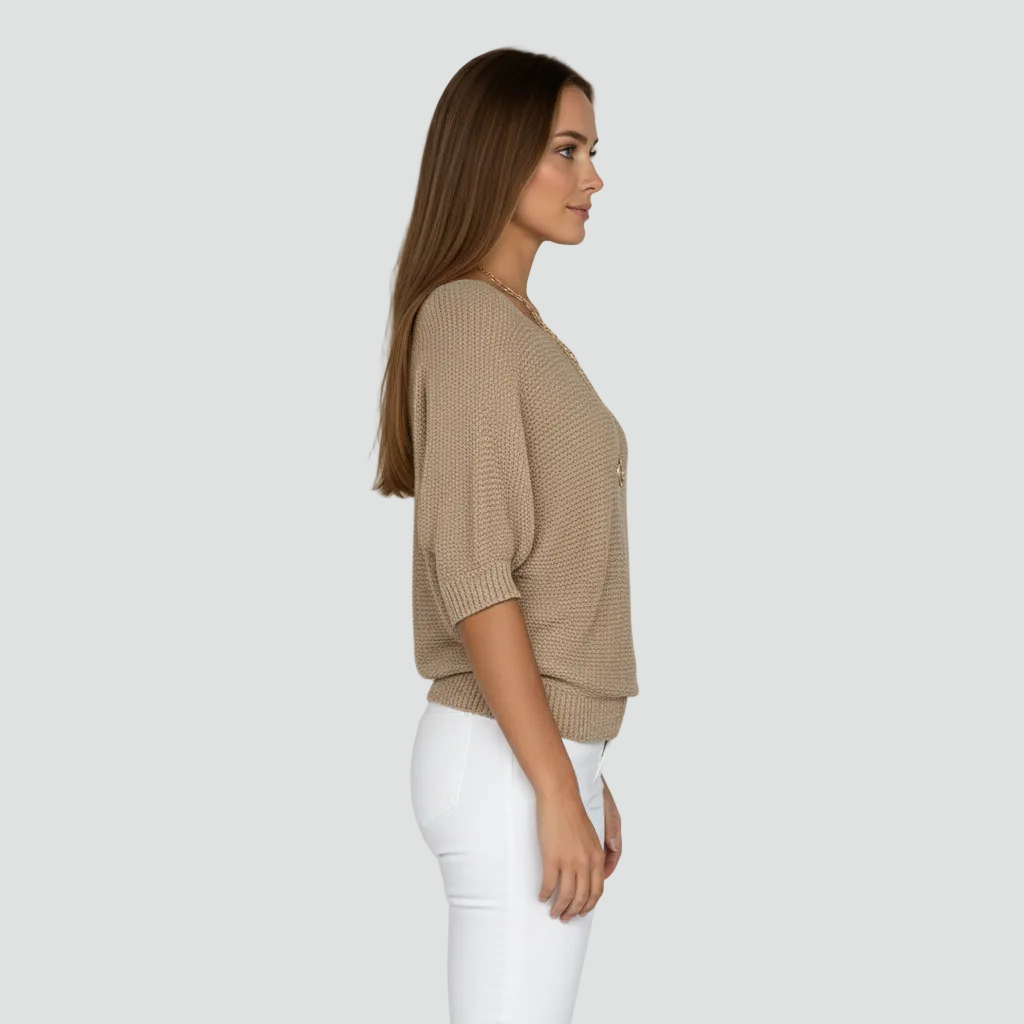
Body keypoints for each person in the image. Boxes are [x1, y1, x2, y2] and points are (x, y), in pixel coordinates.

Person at [372, 47, 639, 1023]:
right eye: (567, 150)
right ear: (494, 154)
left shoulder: (508, 324)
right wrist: (553, 785)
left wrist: (584, 773)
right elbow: (477, 578)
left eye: (592, 152)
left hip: (522, 752)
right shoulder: (470, 320)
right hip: (504, 761)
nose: (592, 177)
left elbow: (542, 571)